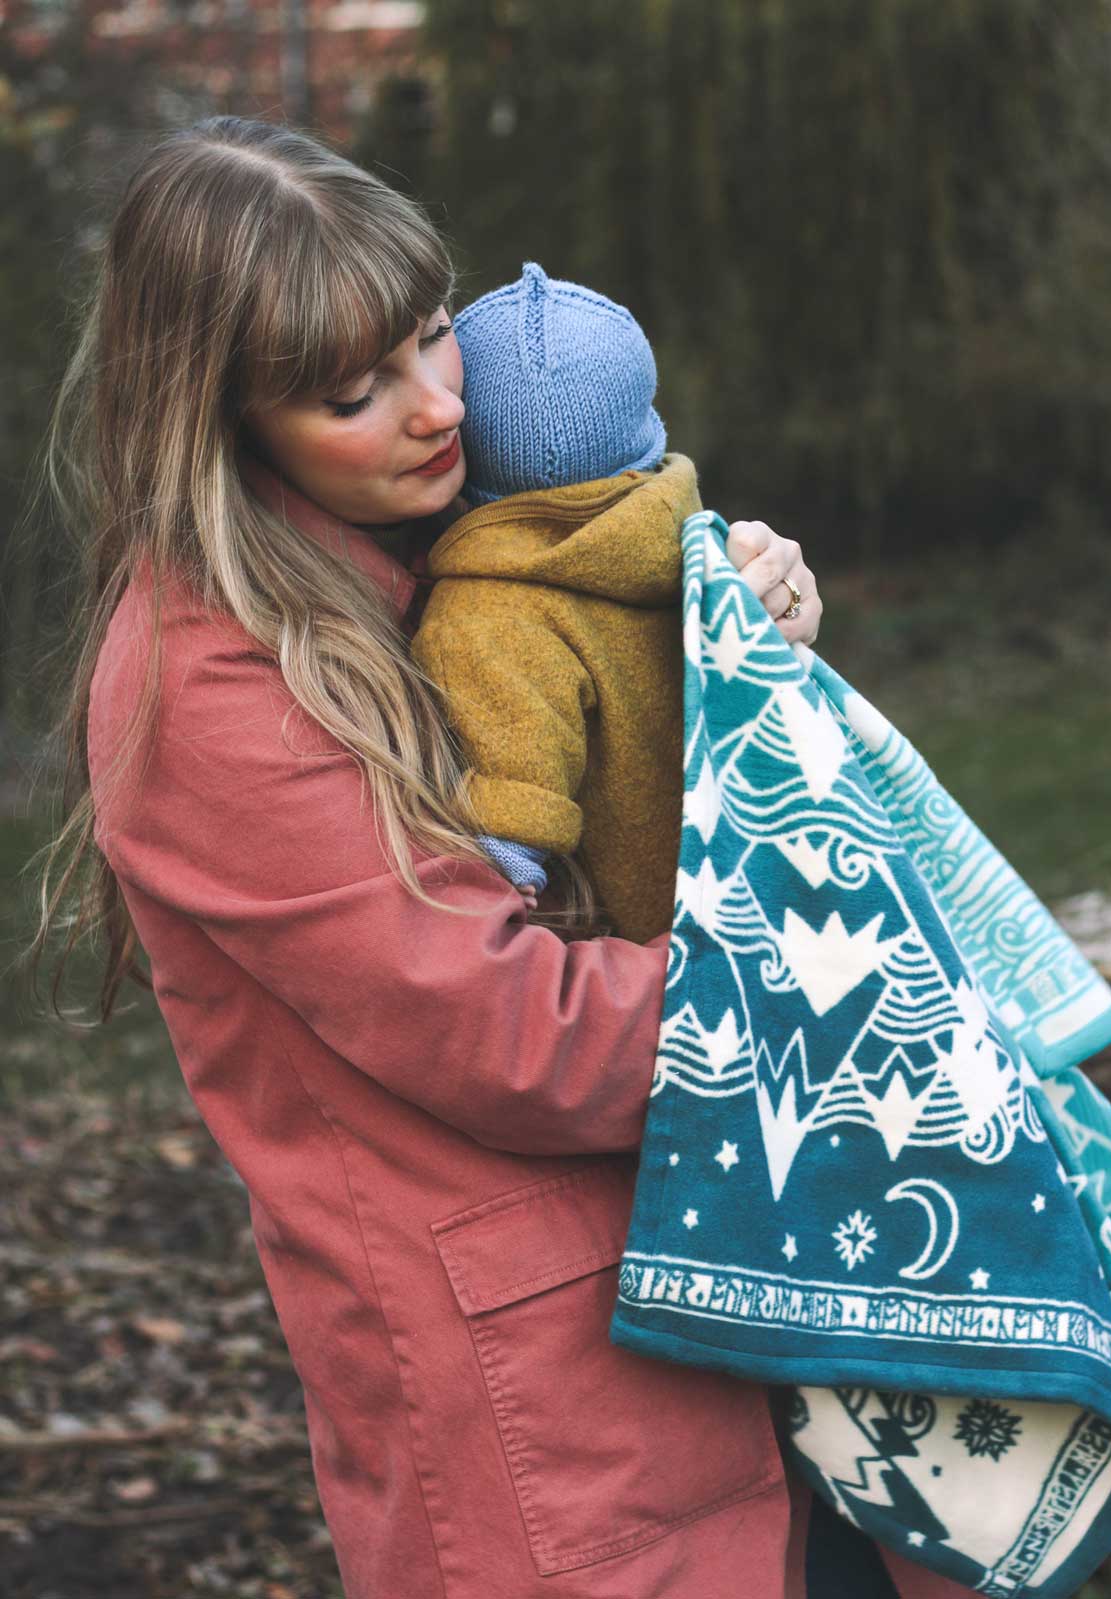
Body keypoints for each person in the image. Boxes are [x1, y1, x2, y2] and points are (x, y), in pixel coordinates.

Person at [34, 115, 970, 1599]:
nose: (433, 410)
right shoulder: (201, 689)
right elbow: (503, 1026)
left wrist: (728, 637)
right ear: (216, 417)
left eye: (430, 337)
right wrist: (842, 997)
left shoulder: (454, 529)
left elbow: (637, 784)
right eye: (355, 388)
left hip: (729, 1275)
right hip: (548, 1380)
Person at [412, 260, 722, 937]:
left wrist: (496, 866)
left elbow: (513, 784)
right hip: (756, 880)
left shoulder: (488, 612)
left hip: (642, 938)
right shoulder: (688, 544)